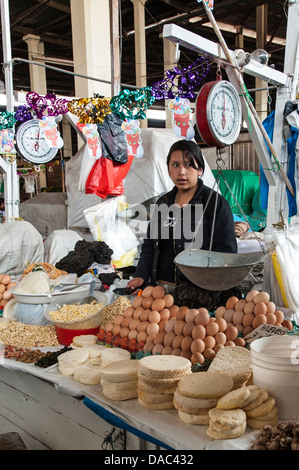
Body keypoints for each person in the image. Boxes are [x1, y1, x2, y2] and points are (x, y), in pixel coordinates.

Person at [126, 140, 237, 294]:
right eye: (175, 165)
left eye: (188, 165)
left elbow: (227, 253)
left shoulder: (214, 203)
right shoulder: (163, 203)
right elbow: (150, 245)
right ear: (169, 169)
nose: (181, 172)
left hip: (197, 293)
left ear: (200, 169)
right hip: (160, 291)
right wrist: (141, 275)